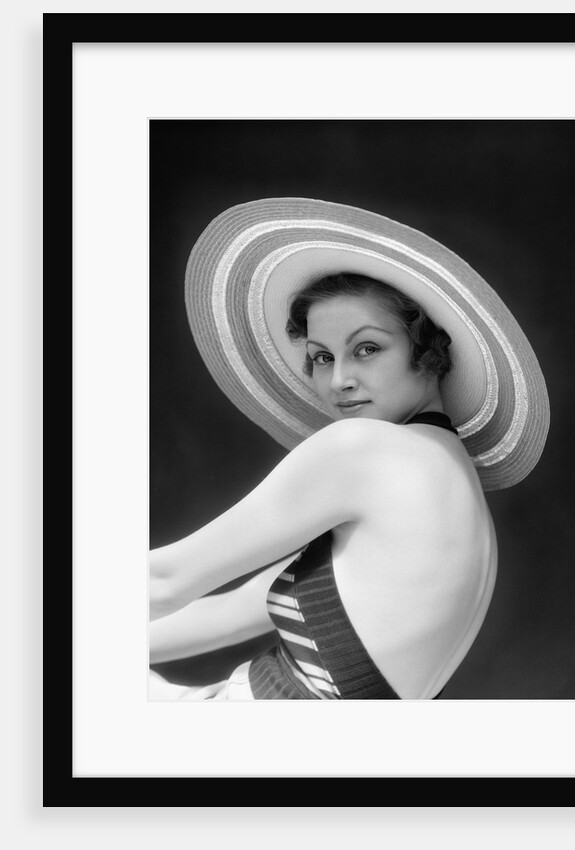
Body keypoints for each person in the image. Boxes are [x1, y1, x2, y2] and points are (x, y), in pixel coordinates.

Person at [149, 198, 550, 700]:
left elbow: (162, 581)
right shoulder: (445, 481)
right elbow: (231, 613)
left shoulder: (366, 451)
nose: (338, 380)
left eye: (366, 348)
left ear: (429, 351)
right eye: (320, 357)